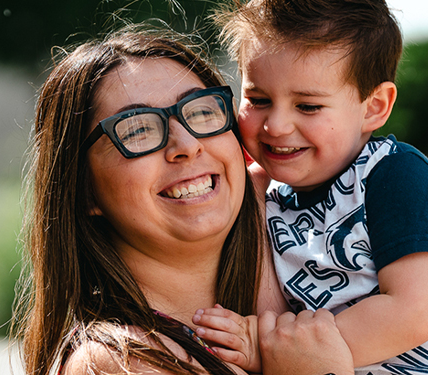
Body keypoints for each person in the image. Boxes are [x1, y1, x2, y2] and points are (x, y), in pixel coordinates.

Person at [194, 0, 428, 374]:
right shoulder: (266, 193)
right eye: (258, 100)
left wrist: (271, 347)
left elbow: (410, 313)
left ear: (374, 106)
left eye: (308, 106)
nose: (276, 125)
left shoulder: (394, 176)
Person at [18, 25, 354, 375]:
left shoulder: (312, 288)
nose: (187, 145)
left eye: (201, 112)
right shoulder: (122, 362)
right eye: (137, 130)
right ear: (83, 189)